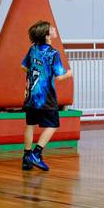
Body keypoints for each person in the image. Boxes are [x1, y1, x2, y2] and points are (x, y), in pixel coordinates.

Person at [22, 21, 73, 171]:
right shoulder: (52, 53)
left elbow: (23, 66)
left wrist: (35, 74)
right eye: (51, 28)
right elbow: (59, 76)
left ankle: (26, 158)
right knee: (53, 125)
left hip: (31, 95)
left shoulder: (33, 49)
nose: (54, 29)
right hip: (46, 97)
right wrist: (70, 74)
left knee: (30, 125)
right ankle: (36, 154)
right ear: (46, 35)